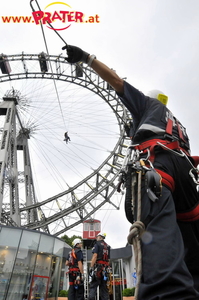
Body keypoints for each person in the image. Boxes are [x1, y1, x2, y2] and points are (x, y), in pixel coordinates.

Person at [62, 44, 199, 300]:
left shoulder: (146, 104)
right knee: (189, 236)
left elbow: (115, 80)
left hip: (159, 166)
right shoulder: (177, 124)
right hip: (187, 173)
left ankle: (168, 293)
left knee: (157, 231)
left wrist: (86, 58)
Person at [89, 232, 110, 300]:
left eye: (97, 236)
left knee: (93, 286)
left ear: (100, 237)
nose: (96, 238)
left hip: (98, 268)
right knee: (104, 288)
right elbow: (108, 260)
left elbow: (95, 256)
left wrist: (91, 267)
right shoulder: (107, 246)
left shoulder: (97, 244)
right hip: (105, 269)